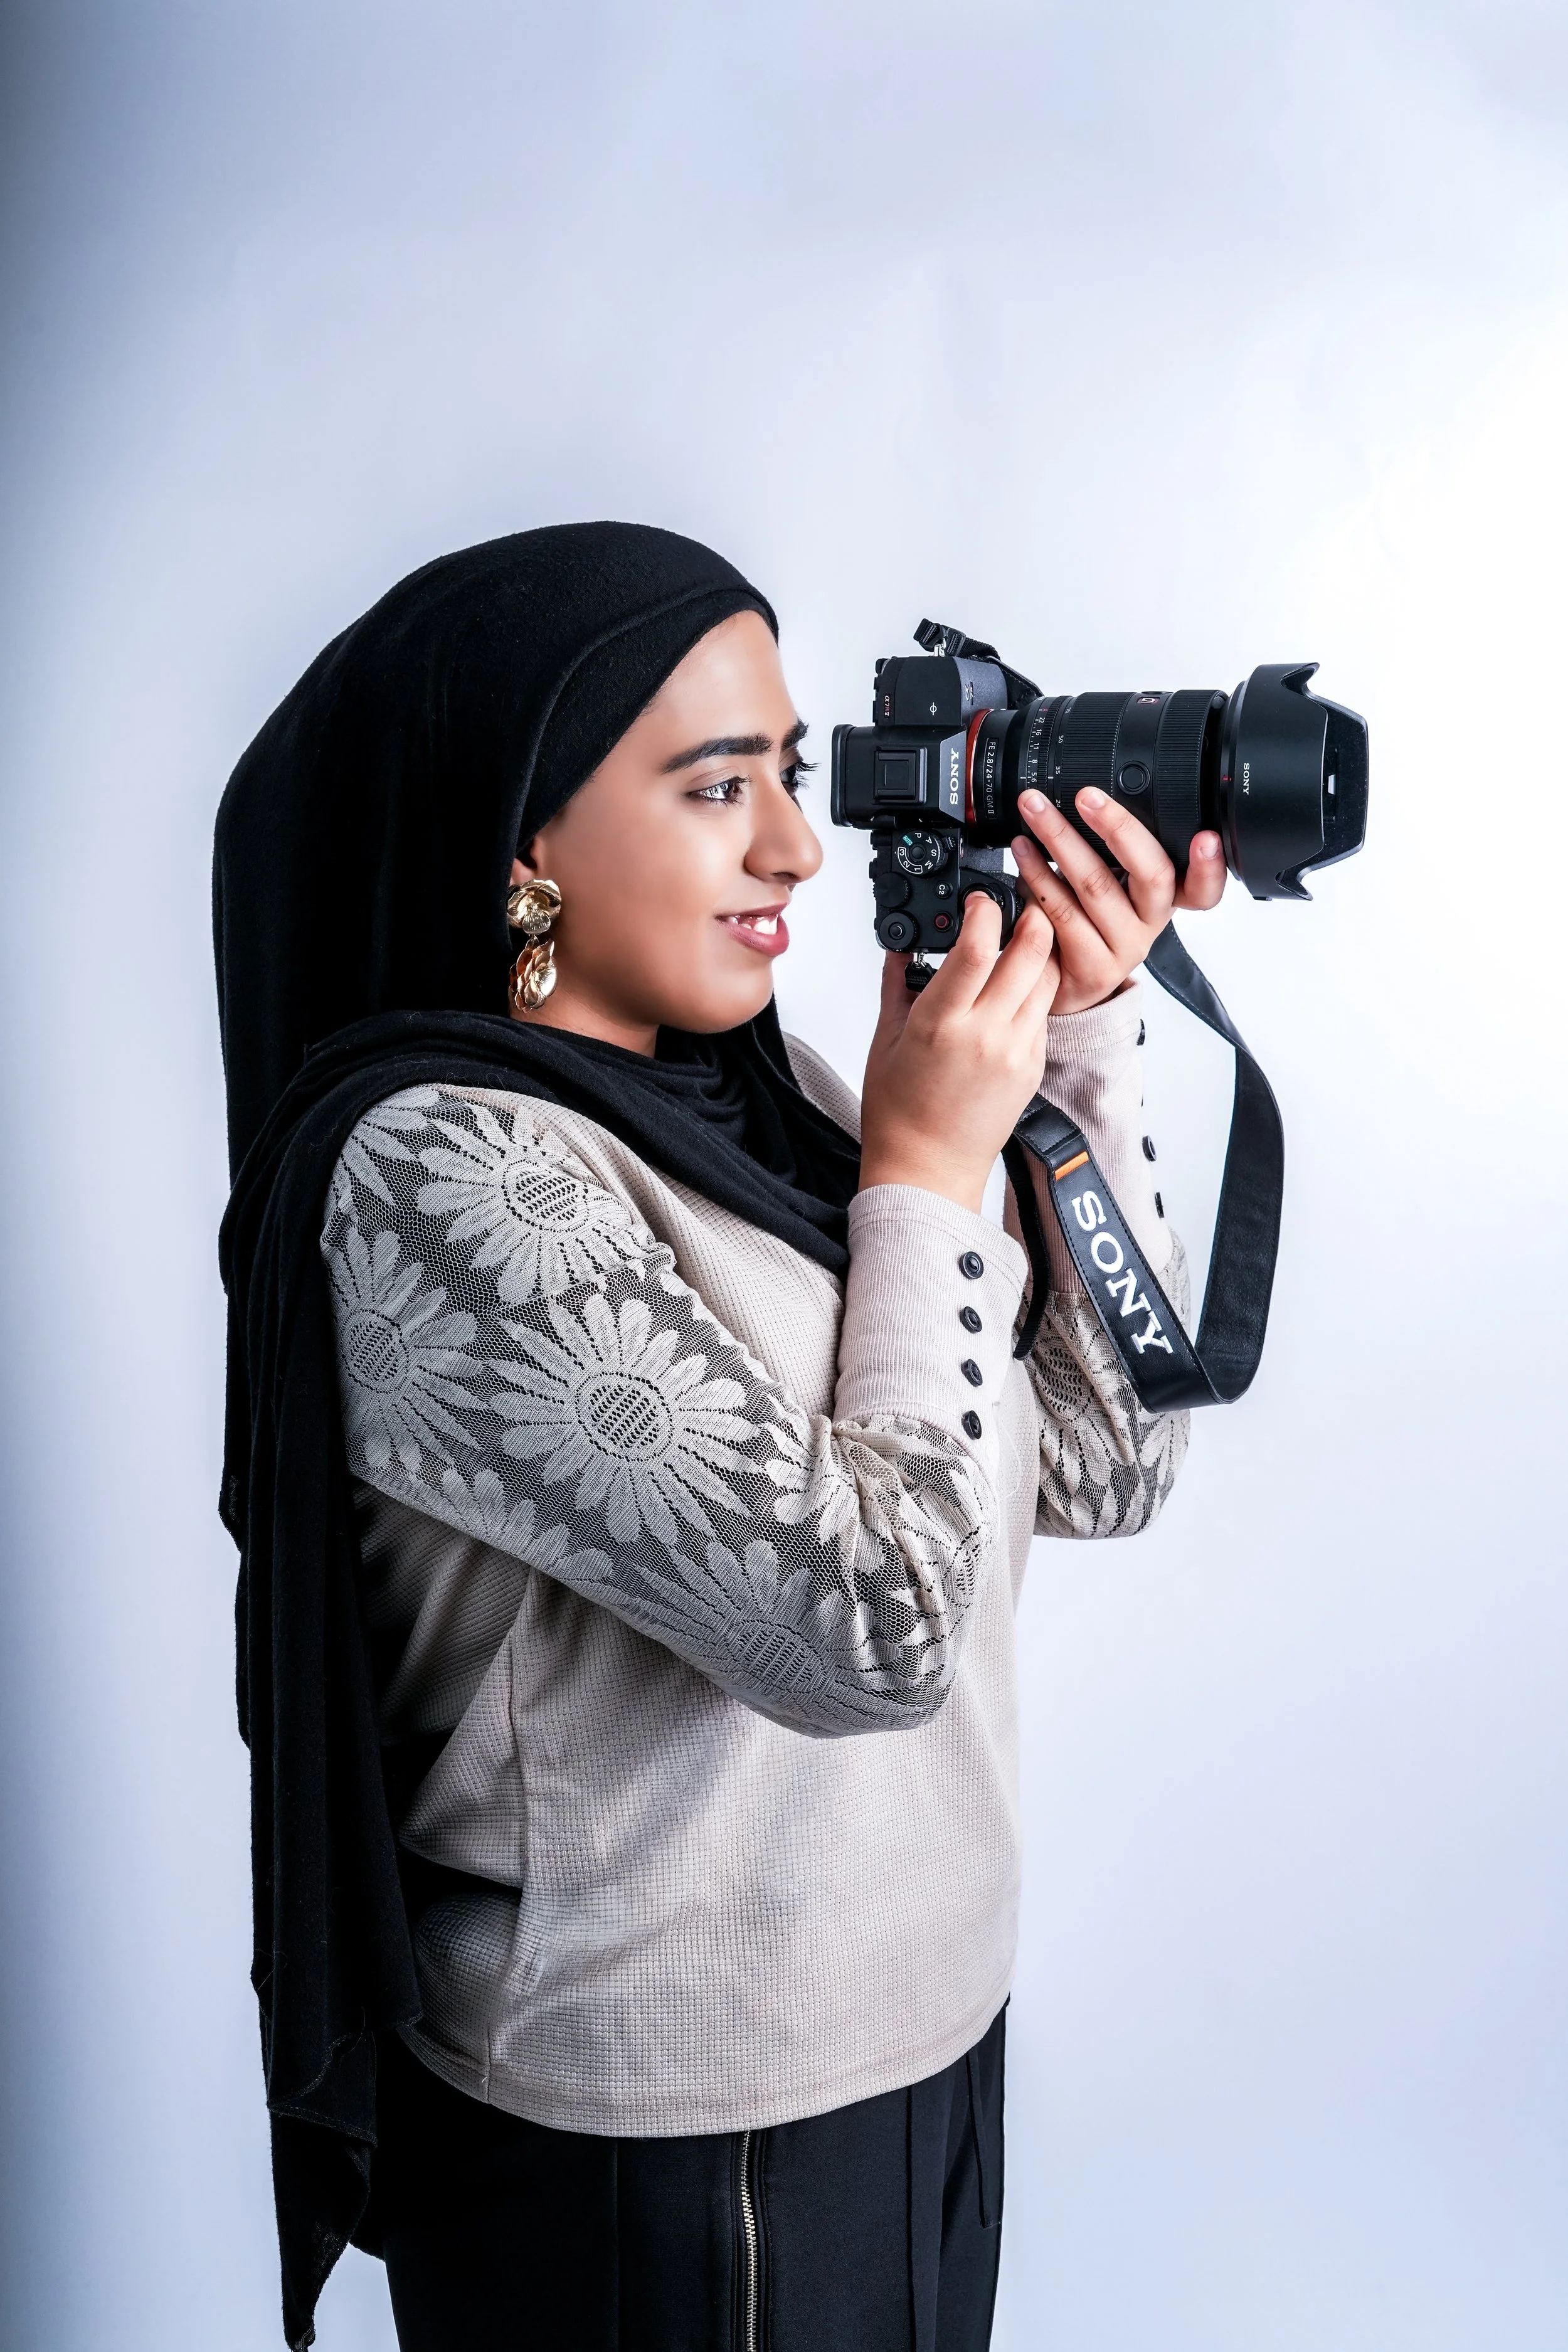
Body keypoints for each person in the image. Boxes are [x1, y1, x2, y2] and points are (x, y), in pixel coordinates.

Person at [215, 523, 1226, 2352]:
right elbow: (866, 1631)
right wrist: (928, 1172)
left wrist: (1079, 1030)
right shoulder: (443, 1171)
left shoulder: (761, 1103)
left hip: (918, 2046)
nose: (792, 845)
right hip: (666, 2143)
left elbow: (1099, 1462)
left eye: (784, 768)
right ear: (525, 837)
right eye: (710, 785)